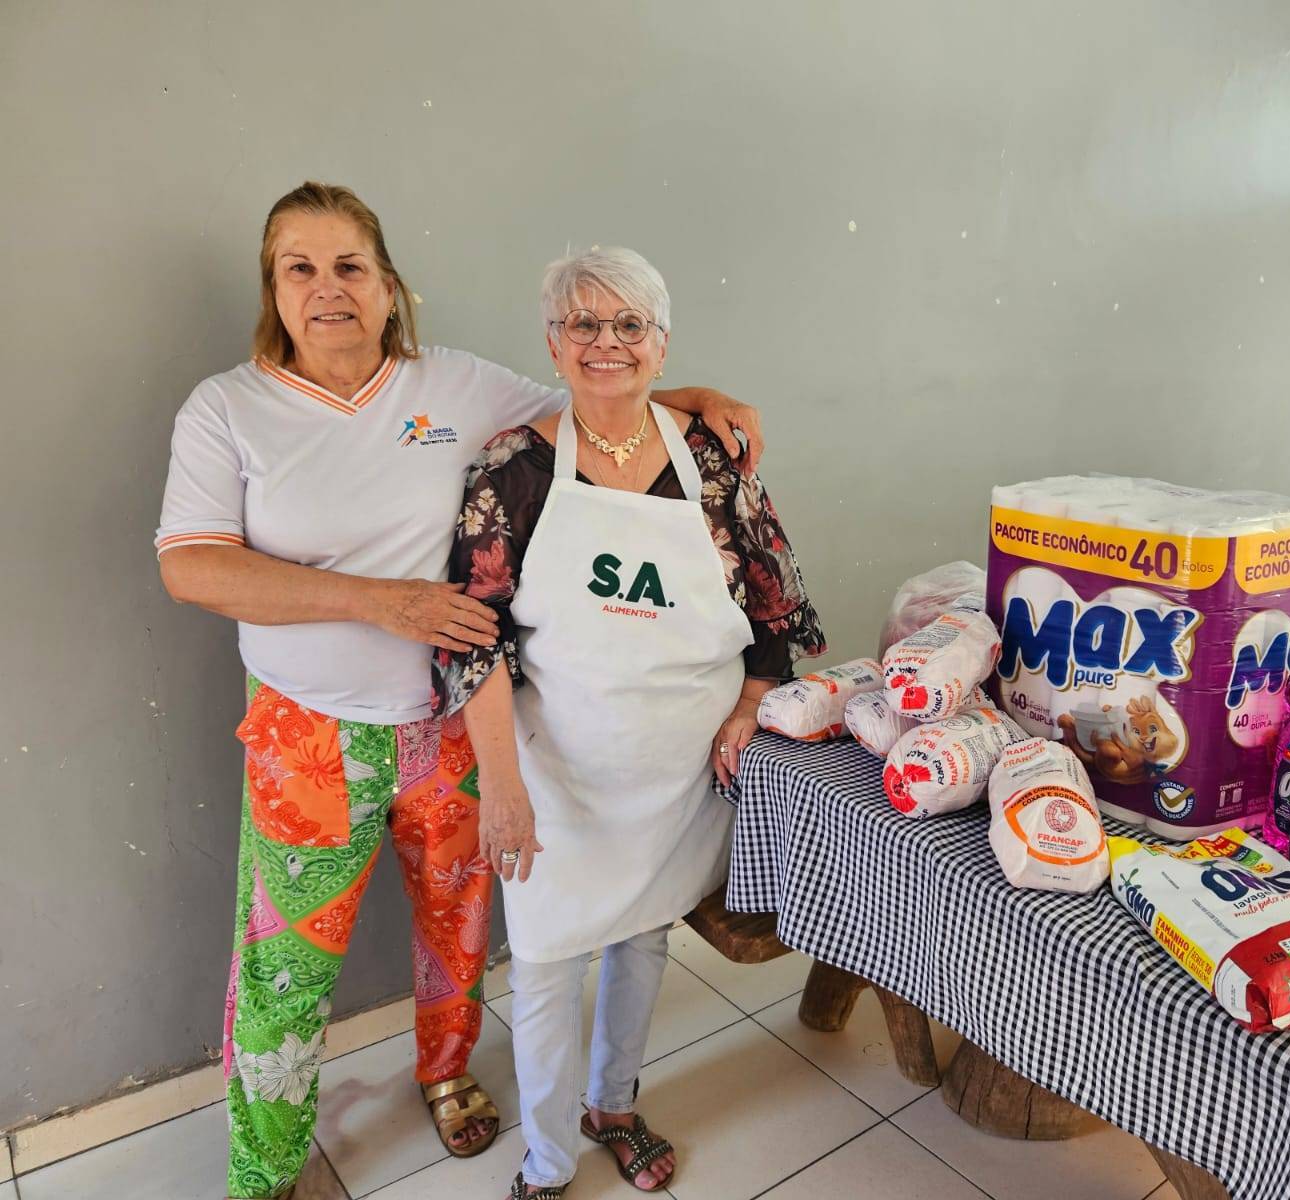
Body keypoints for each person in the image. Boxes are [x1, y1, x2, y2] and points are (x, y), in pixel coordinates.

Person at [154, 183, 763, 1200]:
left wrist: (693, 395)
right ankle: (263, 1168)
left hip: (459, 733)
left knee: (461, 934)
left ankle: (444, 1076)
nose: (327, 288)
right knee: (284, 969)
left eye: (350, 265)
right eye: (298, 268)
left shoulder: (460, 386)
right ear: (273, 288)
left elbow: (597, 404)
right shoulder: (230, 408)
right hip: (311, 740)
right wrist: (380, 604)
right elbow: (192, 567)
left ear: (389, 285)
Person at [438, 246, 825, 1197]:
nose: (605, 343)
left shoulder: (710, 458)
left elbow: (776, 602)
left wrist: (744, 707)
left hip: (676, 762)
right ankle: (546, 1158)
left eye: (628, 326)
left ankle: (614, 1105)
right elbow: (470, 640)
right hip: (556, 767)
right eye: (583, 324)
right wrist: (503, 786)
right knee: (542, 962)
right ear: (552, 343)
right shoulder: (515, 467)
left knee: (643, 935)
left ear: (661, 345)